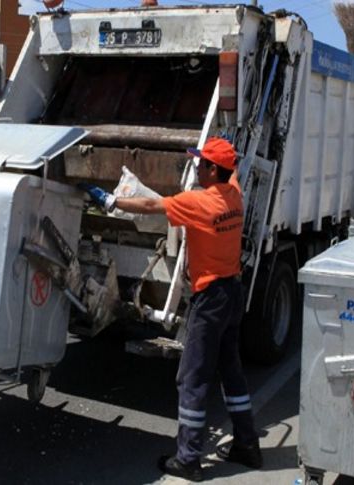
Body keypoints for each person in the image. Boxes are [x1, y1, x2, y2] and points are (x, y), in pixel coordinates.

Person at [79, 137, 261, 482]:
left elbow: (151, 205)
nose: (196, 167)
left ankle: (189, 458)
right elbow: (235, 171)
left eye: (201, 163)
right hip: (232, 293)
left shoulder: (199, 203)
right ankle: (247, 445)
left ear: (212, 170)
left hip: (209, 300)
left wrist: (112, 200)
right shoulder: (234, 195)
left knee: (191, 377)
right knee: (231, 370)